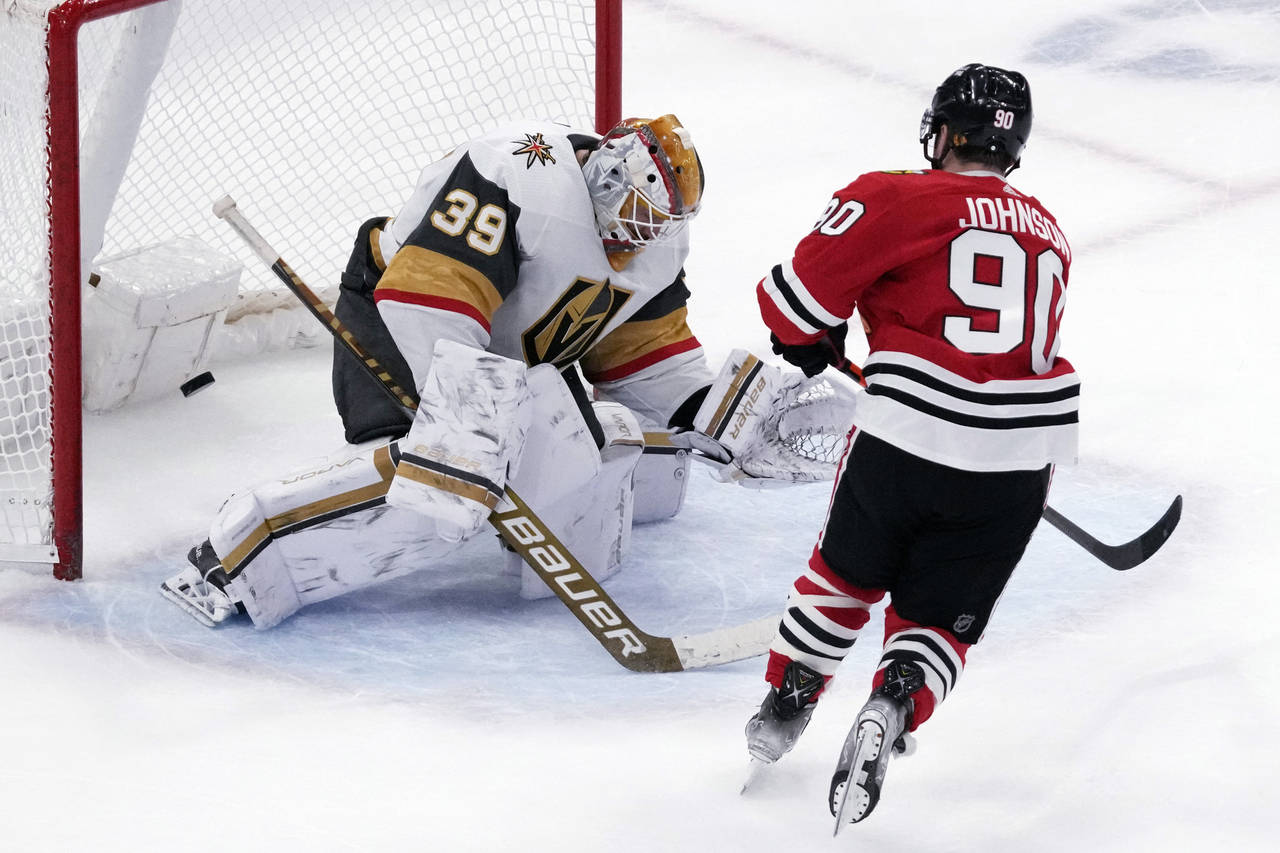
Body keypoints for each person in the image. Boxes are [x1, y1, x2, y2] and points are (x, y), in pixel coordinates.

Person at [160, 114, 726, 629]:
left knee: (584, 455)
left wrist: (723, 413)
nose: (643, 233)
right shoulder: (518, 173)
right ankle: (234, 555)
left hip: (510, 363)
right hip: (396, 320)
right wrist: (469, 427)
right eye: (638, 213)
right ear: (607, 175)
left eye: (658, 223)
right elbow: (429, 293)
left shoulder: (654, 246)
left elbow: (645, 354)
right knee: (437, 483)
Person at [743, 64, 1080, 828]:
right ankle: (892, 701)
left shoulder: (894, 194)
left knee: (844, 575)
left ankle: (788, 699)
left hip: (908, 436)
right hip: (1022, 459)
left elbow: (791, 301)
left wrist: (810, 337)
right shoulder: (1050, 229)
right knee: (938, 615)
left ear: (944, 132)